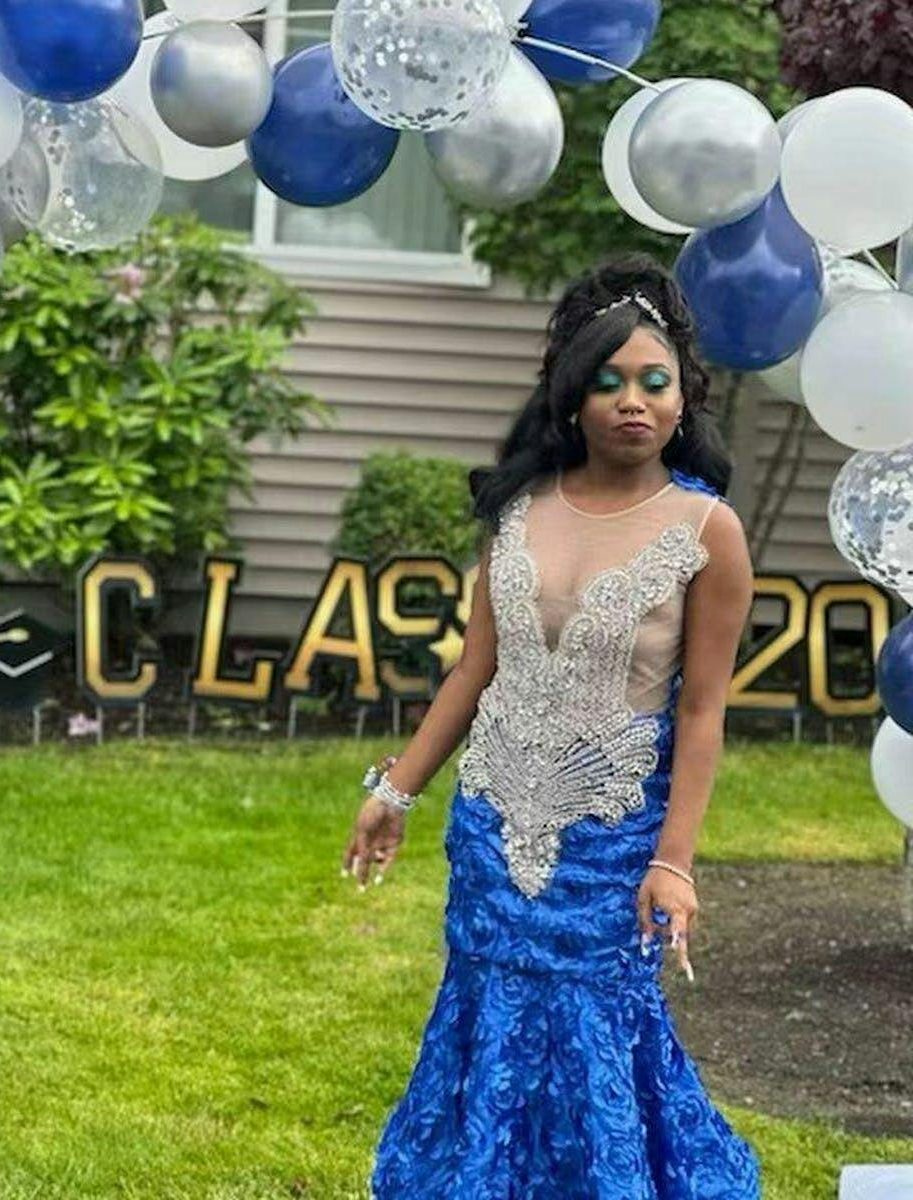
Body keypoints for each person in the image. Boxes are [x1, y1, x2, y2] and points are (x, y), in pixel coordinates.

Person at [341, 253, 762, 1199]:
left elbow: (703, 710)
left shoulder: (708, 531)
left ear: (683, 400)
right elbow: (473, 670)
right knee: (484, 1010)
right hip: (493, 824)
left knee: (598, 1023)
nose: (632, 402)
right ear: (573, 398)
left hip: (609, 841)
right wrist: (394, 792)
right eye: (608, 381)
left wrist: (675, 861)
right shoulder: (519, 511)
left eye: (654, 381)